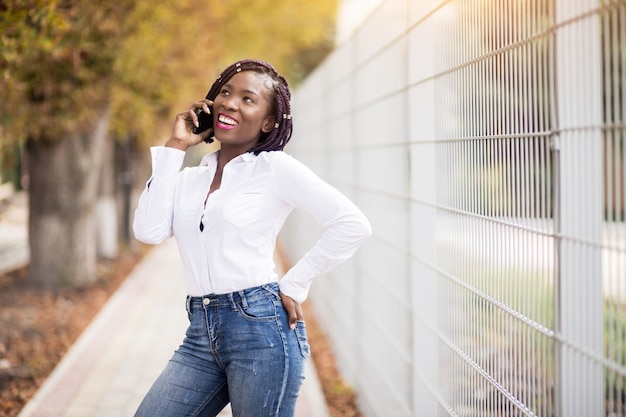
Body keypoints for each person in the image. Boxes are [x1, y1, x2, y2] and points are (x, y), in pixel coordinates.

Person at [132, 59, 371, 417]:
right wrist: (174, 149)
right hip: (200, 333)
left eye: (248, 99)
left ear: (269, 121)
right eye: (225, 92)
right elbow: (148, 232)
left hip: (261, 332)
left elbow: (352, 223)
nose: (230, 103)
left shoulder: (275, 169)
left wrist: (294, 284)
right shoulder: (190, 178)